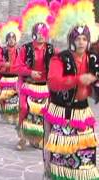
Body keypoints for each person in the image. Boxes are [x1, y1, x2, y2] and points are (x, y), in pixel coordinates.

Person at [43, 0, 99, 179]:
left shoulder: (93, 59)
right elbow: (53, 82)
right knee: (60, 157)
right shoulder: (59, 59)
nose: (81, 42)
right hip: (62, 112)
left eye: (84, 38)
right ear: (71, 39)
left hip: (83, 113)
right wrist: (78, 80)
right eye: (78, 38)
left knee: (86, 158)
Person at [14, 0, 55, 150]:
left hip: (44, 88)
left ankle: (38, 137)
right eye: (39, 33)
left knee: (43, 113)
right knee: (24, 108)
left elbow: (58, 65)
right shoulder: (26, 48)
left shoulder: (51, 50)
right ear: (33, 34)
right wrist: (30, 72)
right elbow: (17, 66)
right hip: (29, 85)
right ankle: (21, 137)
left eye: (44, 33)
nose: (41, 36)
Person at [0, 18, 21, 125]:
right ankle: (6, 114)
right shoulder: (3, 51)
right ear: (6, 40)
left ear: (16, 40)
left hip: (15, 78)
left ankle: (14, 115)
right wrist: (4, 65)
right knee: (5, 98)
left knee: (15, 99)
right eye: (9, 38)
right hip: (5, 78)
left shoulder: (20, 50)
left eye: (13, 38)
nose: (11, 40)